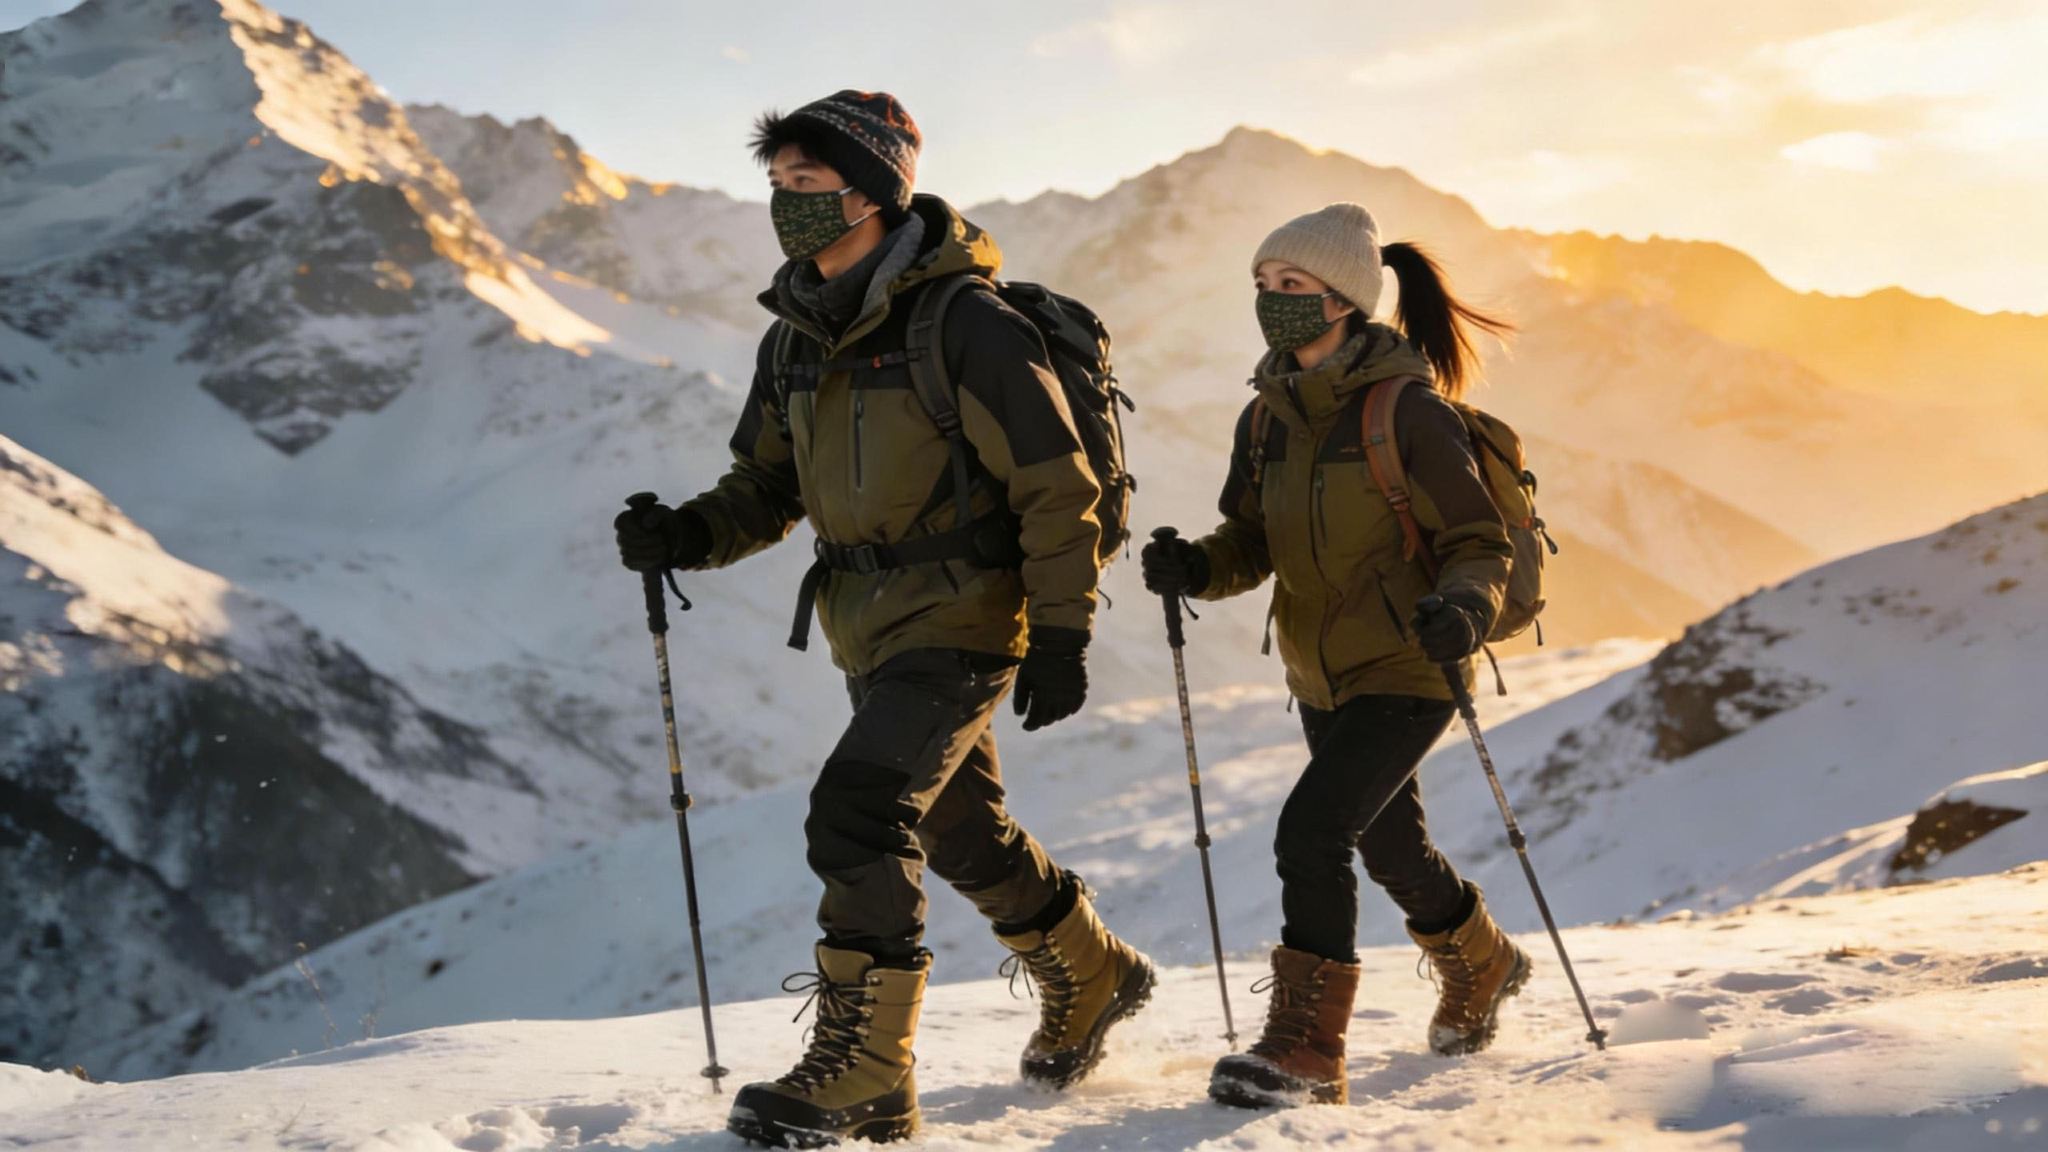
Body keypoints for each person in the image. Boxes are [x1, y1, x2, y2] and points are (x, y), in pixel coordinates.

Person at [615, 90, 1152, 1147]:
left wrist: (1060, 634)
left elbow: (1058, 487)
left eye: (808, 186)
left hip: (965, 617)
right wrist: (685, 533)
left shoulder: (966, 324)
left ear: (874, 191)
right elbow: (765, 488)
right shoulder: (797, 337)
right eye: (777, 186)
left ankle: (866, 1070)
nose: (787, 207)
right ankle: (1093, 974)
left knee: (858, 812)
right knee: (962, 830)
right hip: (868, 624)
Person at [1141, 203, 1525, 1109]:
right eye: (1265, 286)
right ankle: (1484, 963)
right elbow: (1252, 539)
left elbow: (1479, 540)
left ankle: (1308, 1048)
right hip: (1319, 675)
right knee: (1392, 846)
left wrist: (1466, 605)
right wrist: (1197, 565)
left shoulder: (1408, 413)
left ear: (1346, 301)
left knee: (1311, 832)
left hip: (1410, 666)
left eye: (1295, 288)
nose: (1274, 302)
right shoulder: (1266, 420)